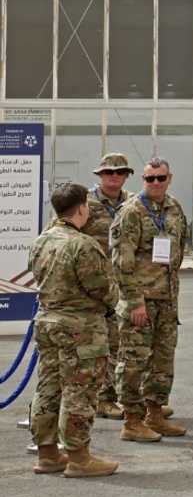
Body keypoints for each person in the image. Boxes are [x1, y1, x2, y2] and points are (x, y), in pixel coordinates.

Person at [28, 183, 120, 477]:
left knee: (48, 387)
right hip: (80, 328)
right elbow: (103, 289)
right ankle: (79, 458)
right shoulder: (83, 244)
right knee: (79, 390)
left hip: (47, 323)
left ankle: (48, 453)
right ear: (82, 208)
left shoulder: (42, 240)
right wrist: (114, 297)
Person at [111, 157, 190, 442]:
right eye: (149, 179)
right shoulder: (131, 211)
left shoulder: (174, 207)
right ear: (142, 181)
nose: (155, 183)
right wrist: (135, 302)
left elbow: (179, 248)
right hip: (140, 301)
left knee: (162, 361)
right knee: (133, 361)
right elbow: (121, 263)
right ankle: (131, 421)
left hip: (167, 300)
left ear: (169, 178)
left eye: (161, 178)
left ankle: (154, 414)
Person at [81, 153, 134, 421]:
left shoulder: (134, 203)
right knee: (100, 345)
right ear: (100, 176)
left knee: (126, 344)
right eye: (109, 172)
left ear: (126, 176)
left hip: (127, 287)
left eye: (120, 172)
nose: (115, 176)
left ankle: (126, 396)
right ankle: (103, 398)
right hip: (95, 289)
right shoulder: (85, 205)